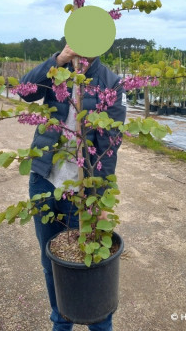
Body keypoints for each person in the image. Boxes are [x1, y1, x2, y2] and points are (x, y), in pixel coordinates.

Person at [19, 44, 126, 331]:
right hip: (43, 176)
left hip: (81, 190)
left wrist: (101, 202)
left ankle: (100, 325)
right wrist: (58, 59)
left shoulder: (110, 82)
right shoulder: (57, 70)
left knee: (91, 262)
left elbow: (109, 147)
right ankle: (61, 321)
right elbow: (24, 91)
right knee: (49, 259)